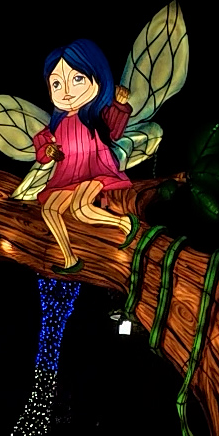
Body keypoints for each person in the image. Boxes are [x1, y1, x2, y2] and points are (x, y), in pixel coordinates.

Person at [31, 39, 141, 274]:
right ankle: (70, 259)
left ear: (97, 79)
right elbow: (42, 146)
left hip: (94, 168)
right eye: (57, 83)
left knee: (81, 208)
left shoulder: (94, 116)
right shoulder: (57, 124)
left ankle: (124, 222)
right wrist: (48, 150)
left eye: (77, 79)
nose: (66, 92)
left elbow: (114, 131)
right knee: (49, 210)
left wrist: (119, 105)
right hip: (67, 174)